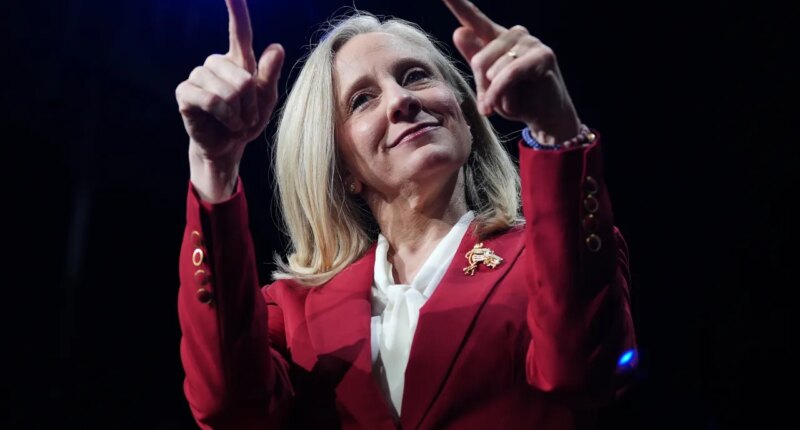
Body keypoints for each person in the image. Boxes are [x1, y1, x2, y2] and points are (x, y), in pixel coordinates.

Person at [175, 0, 637, 428]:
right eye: (362, 99)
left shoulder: (546, 262)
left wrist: (555, 127)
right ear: (342, 169)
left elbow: (585, 371)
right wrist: (213, 166)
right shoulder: (291, 311)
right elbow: (229, 408)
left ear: (467, 115)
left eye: (415, 75)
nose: (401, 100)